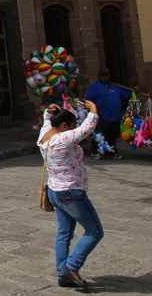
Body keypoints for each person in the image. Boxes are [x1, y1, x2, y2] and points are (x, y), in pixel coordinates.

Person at [38, 100, 103, 291]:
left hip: (55, 191)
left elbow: (46, 121)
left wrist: (49, 113)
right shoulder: (63, 139)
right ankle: (71, 266)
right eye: (72, 125)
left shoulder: (44, 136)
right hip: (71, 193)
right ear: (65, 126)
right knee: (94, 232)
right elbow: (87, 128)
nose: (75, 128)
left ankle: (62, 274)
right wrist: (93, 110)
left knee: (64, 233)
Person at [84, 68, 124, 159]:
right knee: (100, 136)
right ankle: (96, 151)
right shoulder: (94, 87)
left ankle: (111, 152)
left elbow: (125, 94)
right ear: (99, 76)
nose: (105, 77)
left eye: (106, 75)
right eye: (103, 75)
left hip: (115, 117)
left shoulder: (115, 87)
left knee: (113, 136)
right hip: (103, 116)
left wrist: (134, 91)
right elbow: (89, 99)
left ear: (109, 76)